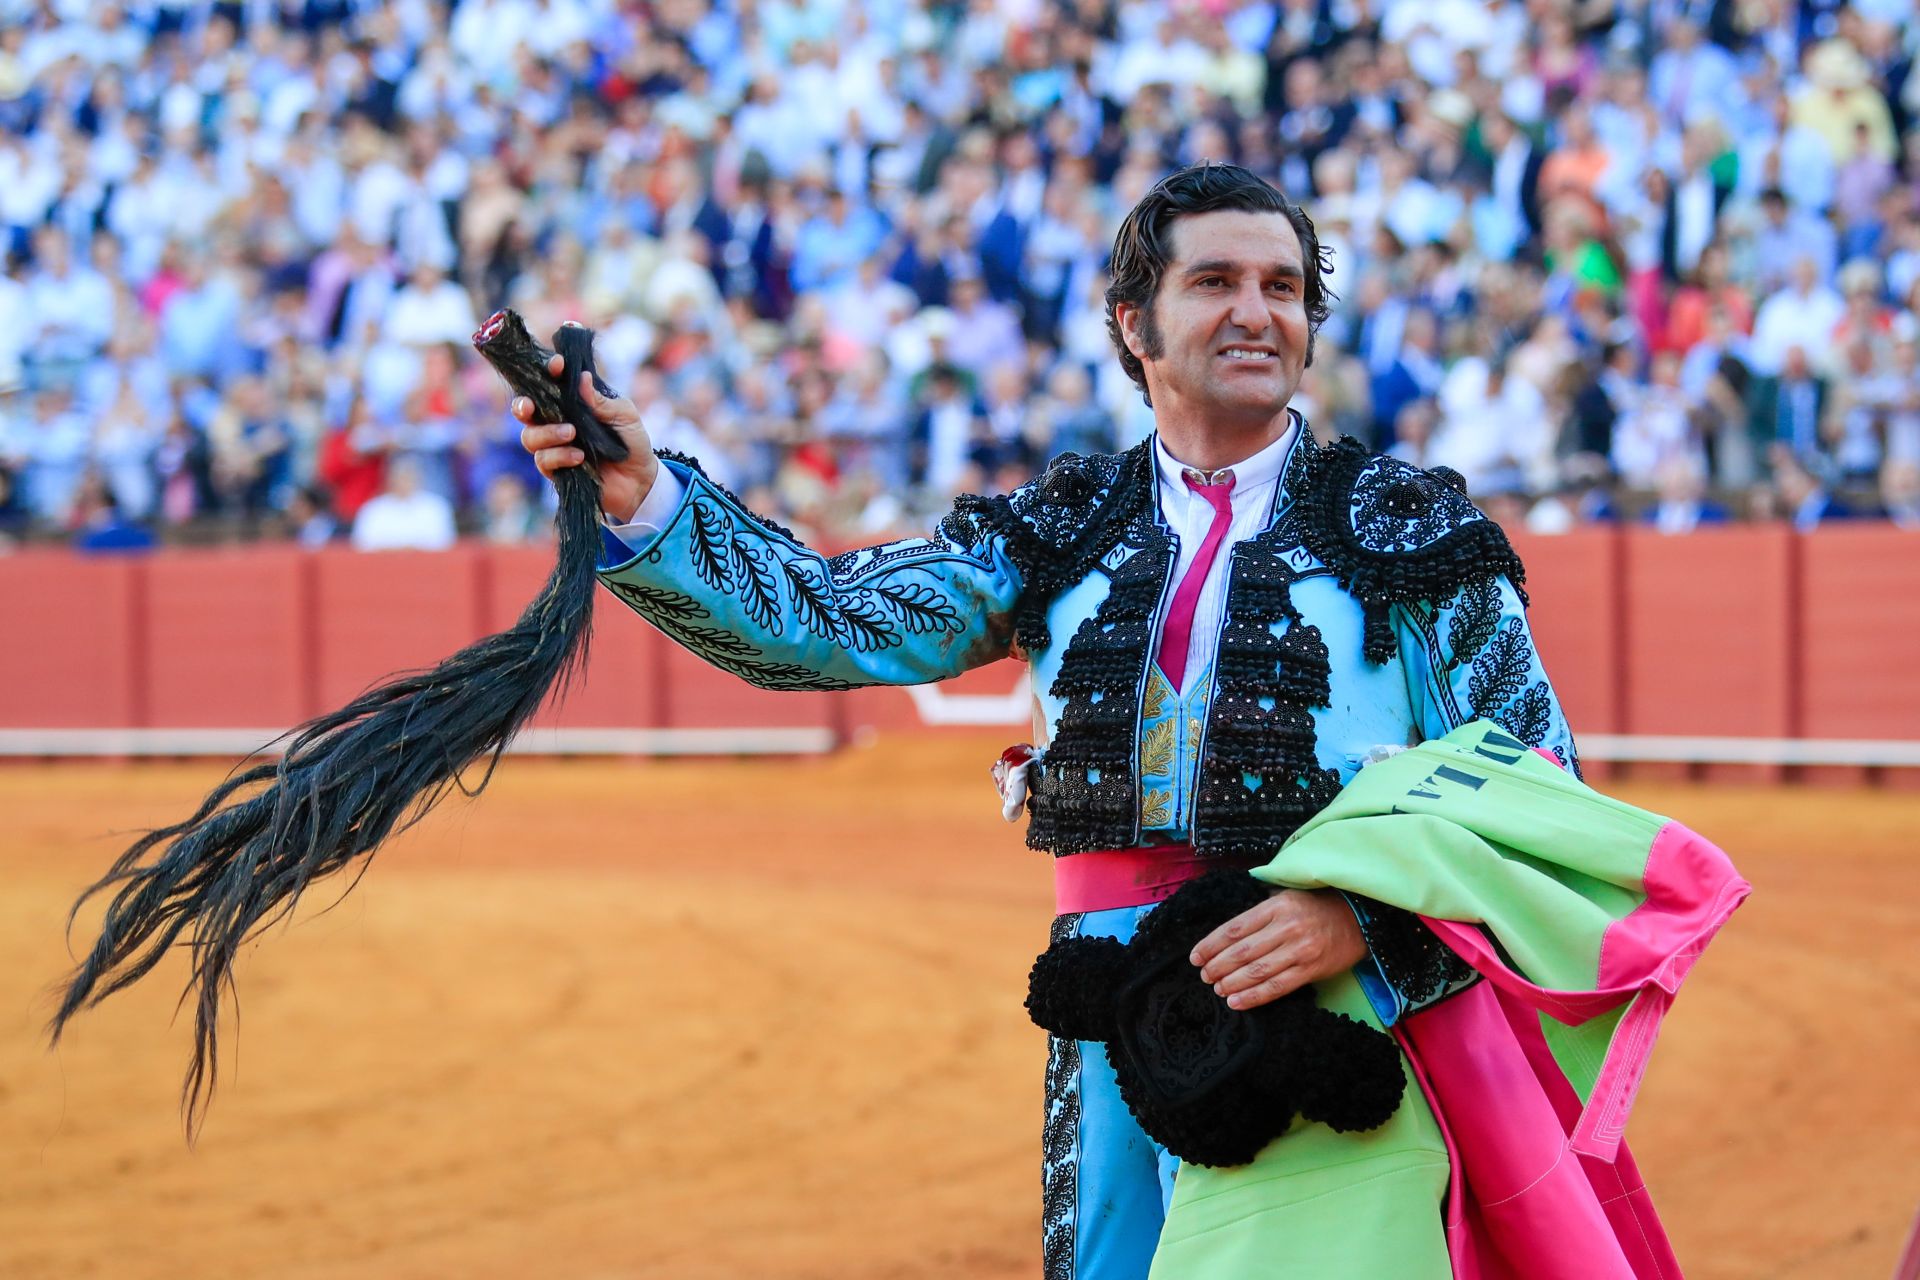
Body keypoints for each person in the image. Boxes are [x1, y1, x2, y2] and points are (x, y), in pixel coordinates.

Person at [512, 165, 1627, 1278]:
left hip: (1339, 1007)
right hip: (1112, 1023)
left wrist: (1366, 927)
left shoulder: (1411, 530)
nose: (1257, 311)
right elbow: (829, 619)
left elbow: (1538, 791)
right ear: (1131, 321)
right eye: (1216, 281)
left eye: (1283, 287)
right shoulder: (1060, 527)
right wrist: (645, 495)